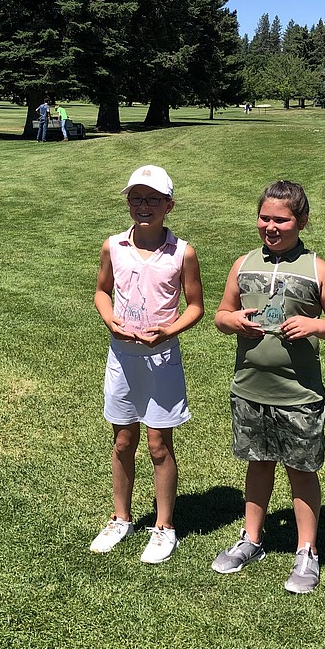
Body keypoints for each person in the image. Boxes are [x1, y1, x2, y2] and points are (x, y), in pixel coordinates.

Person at [211, 180, 325, 593]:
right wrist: (232, 320)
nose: (270, 227)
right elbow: (222, 314)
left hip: (298, 394)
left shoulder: (316, 268)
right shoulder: (244, 264)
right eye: (264, 218)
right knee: (257, 463)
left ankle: (306, 551)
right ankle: (251, 539)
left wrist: (316, 325)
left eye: (281, 220)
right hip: (250, 388)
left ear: (301, 221)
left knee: (301, 470)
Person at [91, 165, 204, 564]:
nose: (144, 206)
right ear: (127, 202)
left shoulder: (182, 251)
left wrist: (169, 331)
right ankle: (121, 518)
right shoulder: (113, 246)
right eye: (136, 198)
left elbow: (196, 307)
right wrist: (110, 320)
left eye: (153, 199)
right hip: (121, 358)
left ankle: (164, 526)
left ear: (169, 205)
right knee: (123, 440)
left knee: (159, 444)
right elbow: (103, 291)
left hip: (161, 359)